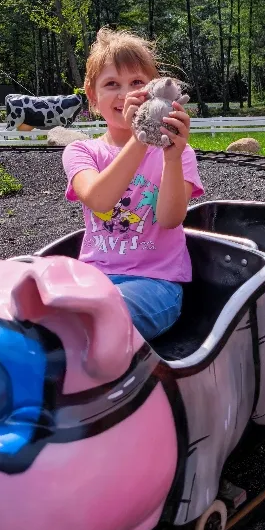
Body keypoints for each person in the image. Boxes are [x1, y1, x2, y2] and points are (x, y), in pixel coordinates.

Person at [62, 28, 203, 341]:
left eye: (137, 83)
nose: (125, 94)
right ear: (92, 95)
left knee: (104, 324)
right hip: (94, 278)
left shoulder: (178, 153)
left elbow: (170, 219)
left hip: (156, 283)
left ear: (154, 91)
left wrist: (169, 157)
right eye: (112, 84)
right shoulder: (82, 151)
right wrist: (140, 139)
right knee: (50, 320)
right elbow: (99, 199)